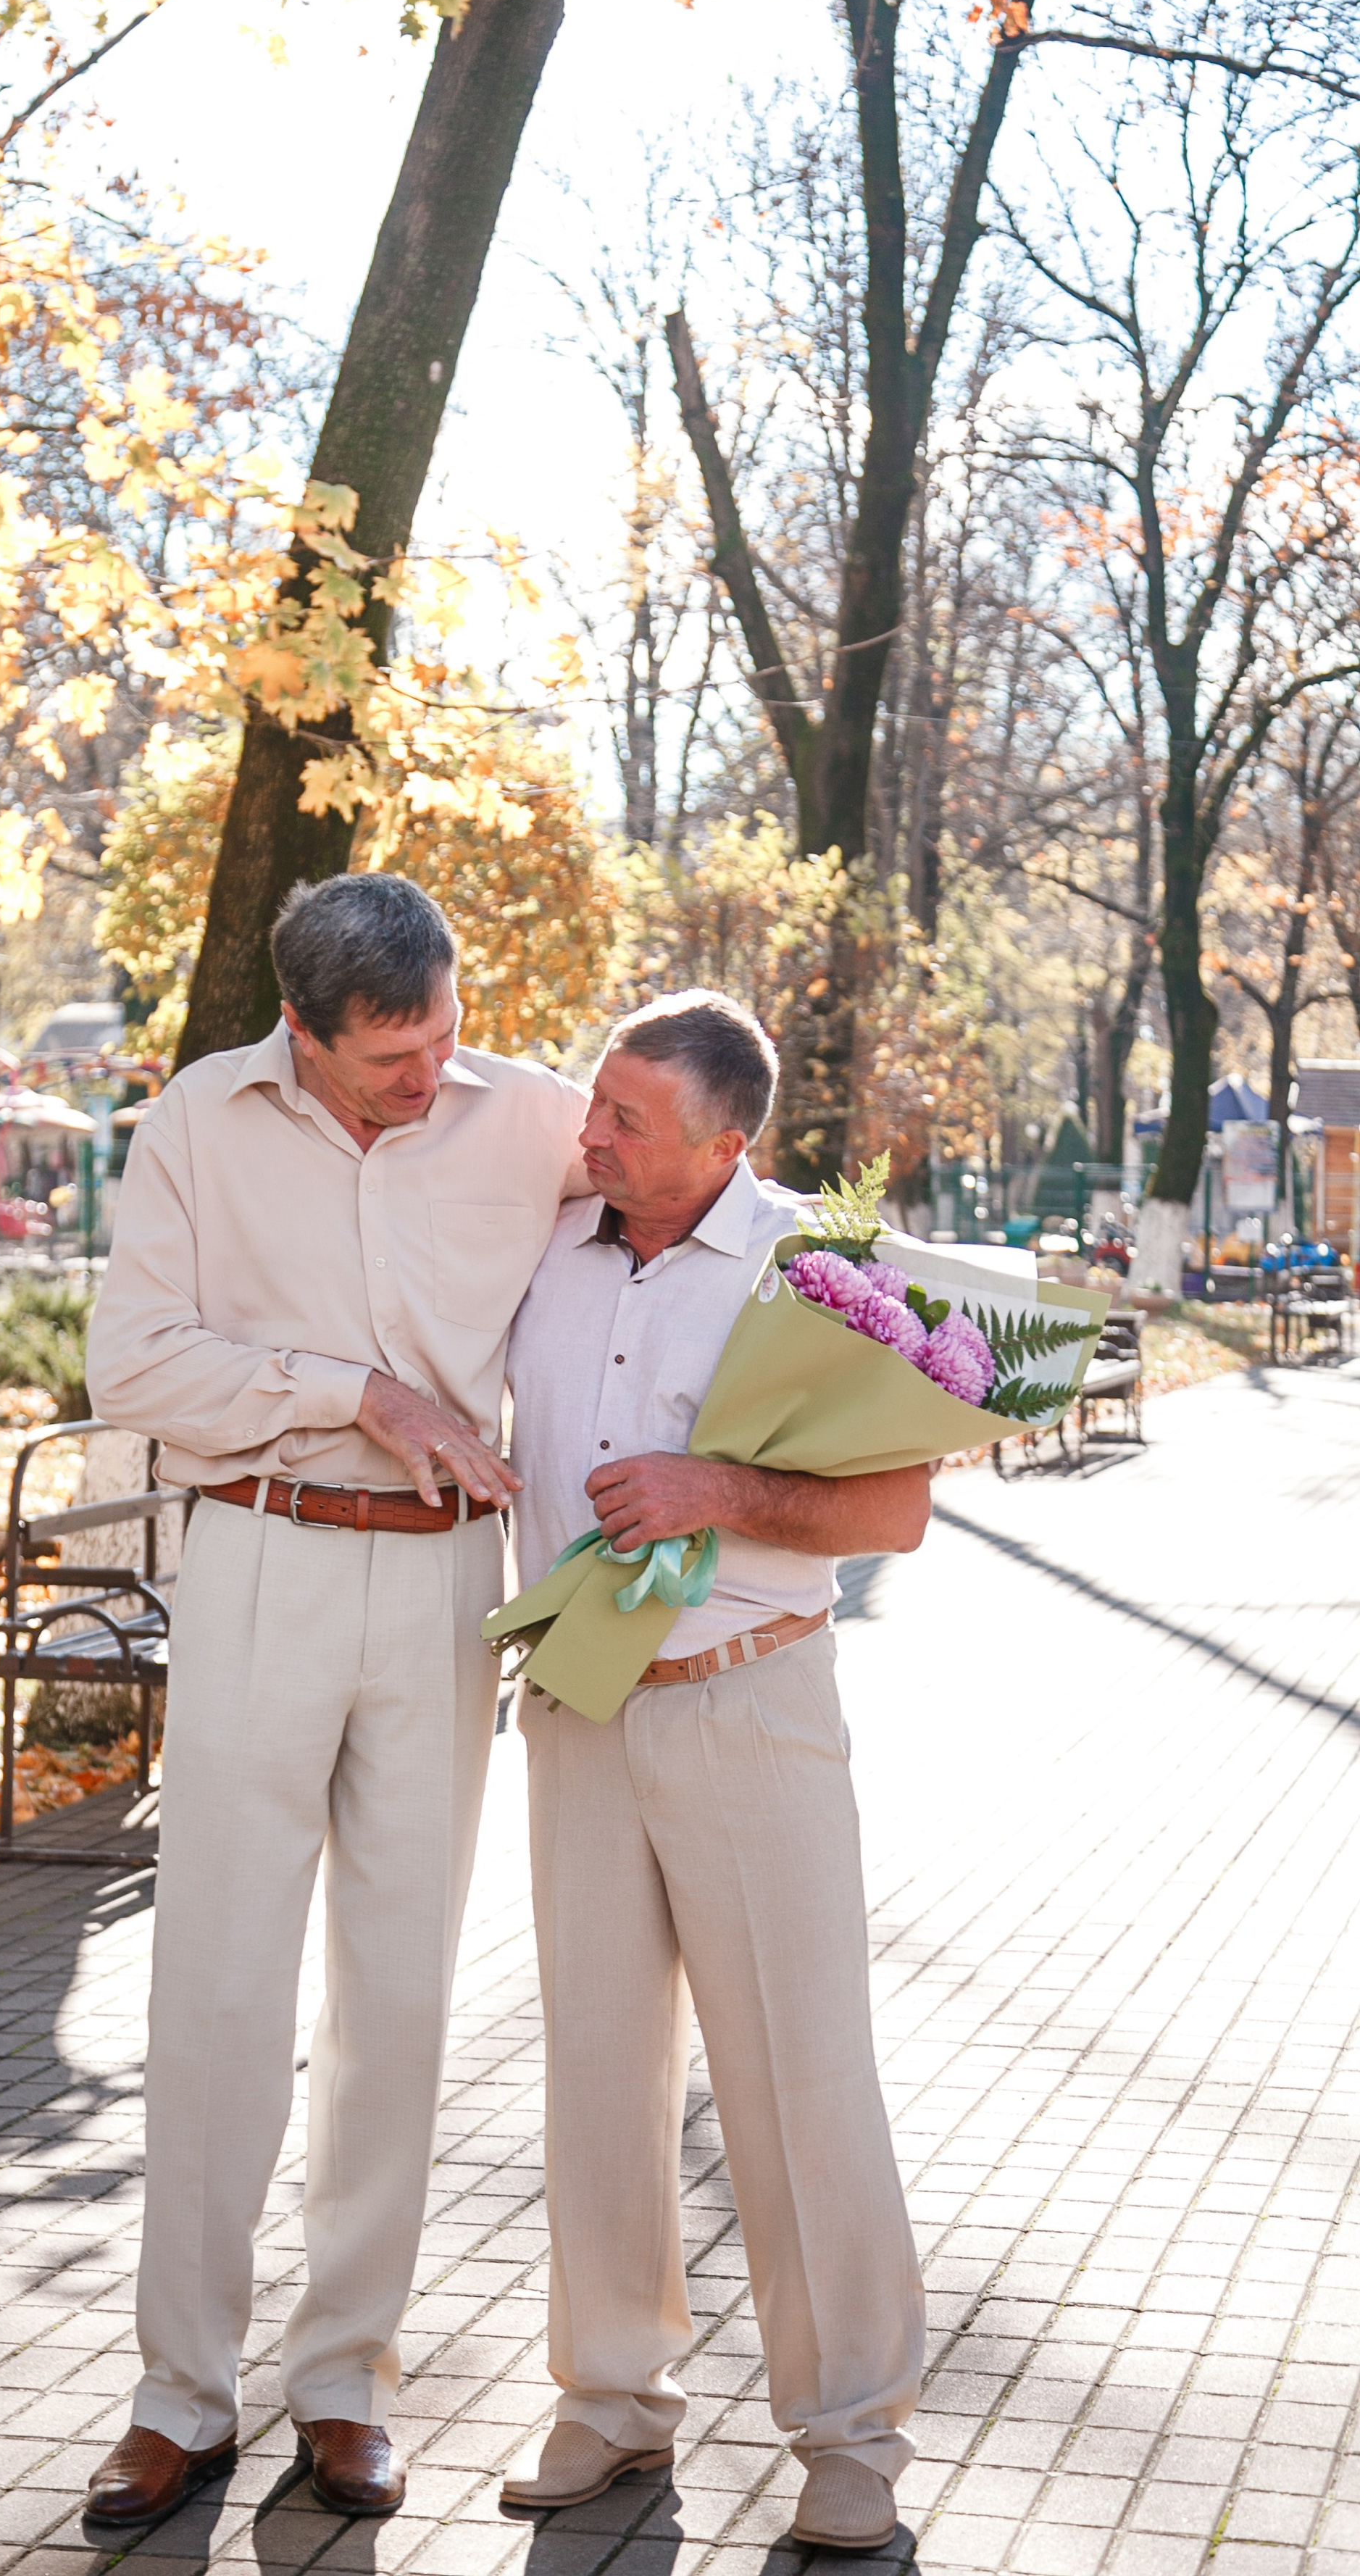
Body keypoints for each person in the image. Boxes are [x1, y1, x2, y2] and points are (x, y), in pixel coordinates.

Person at [79, 872, 586, 2532]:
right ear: (299, 1033)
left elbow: (690, 1177)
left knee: (401, 1996)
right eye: (390, 1058)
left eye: (444, 1035)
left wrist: (896, 1318)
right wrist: (347, 1393)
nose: (427, 1076)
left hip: (447, 1589)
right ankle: (179, 2395)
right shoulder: (198, 1126)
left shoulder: (521, 1116)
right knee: (216, 1984)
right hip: (260, 1563)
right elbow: (134, 1363)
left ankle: (346, 2383)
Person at [498, 991, 931, 2557]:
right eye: (593, 1105)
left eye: (624, 1120)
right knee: (599, 2073)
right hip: (576, 1704)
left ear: (723, 1143)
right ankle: (609, 2401)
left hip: (750, 1702)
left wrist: (711, 1490)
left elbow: (890, 1511)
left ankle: (848, 2430)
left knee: (797, 2075)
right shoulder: (546, 1244)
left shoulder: (814, 1267)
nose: (588, 1136)